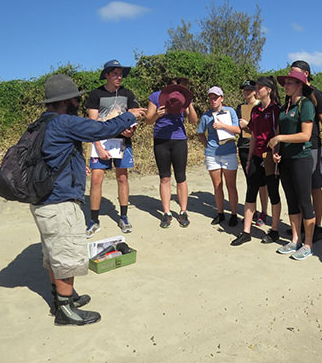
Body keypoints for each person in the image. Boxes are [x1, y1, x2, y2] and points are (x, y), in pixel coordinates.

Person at [30, 74, 146, 325]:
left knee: (53, 254)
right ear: (66, 101)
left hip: (44, 200)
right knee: (66, 256)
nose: (77, 102)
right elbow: (101, 129)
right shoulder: (63, 122)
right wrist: (130, 116)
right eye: (75, 98)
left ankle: (65, 296)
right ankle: (64, 310)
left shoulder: (43, 122)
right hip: (58, 202)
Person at [85, 59, 140, 237]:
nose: (119, 77)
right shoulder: (95, 95)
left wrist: (130, 131)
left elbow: (134, 118)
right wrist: (98, 147)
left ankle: (123, 217)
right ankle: (93, 220)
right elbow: (92, 124)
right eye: (115, 73)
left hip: (122, 143)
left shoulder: (128, 94)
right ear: (107, 75)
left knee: (122, 178)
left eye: (120, 73)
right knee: (96, 179)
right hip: (100, 142)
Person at [268, 71, 317, 260]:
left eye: (290, 83)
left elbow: (305, 135)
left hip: (301, 159)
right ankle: (295, 239)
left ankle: (308, 244)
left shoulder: (306, 105)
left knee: (305, 200)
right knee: (291, 200)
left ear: (300, 85)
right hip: (286, 159)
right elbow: (279, 131)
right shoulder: (285, 106)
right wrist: (276, 150)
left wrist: (279, 138)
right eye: (285, 83)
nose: (286, 86)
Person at [231, 76, 282, 246]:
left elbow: (278, 134)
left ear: (269, 90)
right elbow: (253, 135)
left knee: (273, 193)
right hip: (256, 156)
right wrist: (249, 158)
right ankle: (246, 232)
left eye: (260, 87)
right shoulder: (255, 110)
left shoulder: (276, 110)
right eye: (256, 87)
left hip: (270, 157)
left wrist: (276, 154)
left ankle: (274, 230)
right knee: (250, 191)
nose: (256, 90)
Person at [146, 79, 198, 228]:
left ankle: (183, 212)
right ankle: (167, 213)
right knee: (164, 177)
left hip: (179, 139)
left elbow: (193, 121)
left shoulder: (184, 98)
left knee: (181, 177)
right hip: (161, 140)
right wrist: (157, 114)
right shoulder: (155, 96)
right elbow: (148, 120)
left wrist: (189, 103)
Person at [290, 61, 322, 242]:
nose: (291, 76)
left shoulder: (316, 94)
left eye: (295, 73)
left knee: (315, 187)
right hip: (295, 148)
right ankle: (303, 225)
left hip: (313, 146)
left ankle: (318, 226)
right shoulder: (291, 94)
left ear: (306, 74)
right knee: (300, 188)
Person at [197, 86, 241, 227]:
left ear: (222, 98)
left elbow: (238, 130)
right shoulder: (206, 116)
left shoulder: (230, 111)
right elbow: (200, 132)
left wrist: (222, 126)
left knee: (231, 185)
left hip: (228, 152)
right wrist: (207, 146)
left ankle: (234, 214)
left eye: (215, 97)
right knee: (217, 185)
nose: (213, 100)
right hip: (212, 154)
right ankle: (220, 213)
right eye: (211, 97)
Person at [236, 80, 269, 226]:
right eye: (244, 90)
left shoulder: (260, 107)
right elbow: (237, 128)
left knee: (262, 183)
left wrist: (246, 126)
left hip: (258, 148)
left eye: (249, 89)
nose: (247, 92)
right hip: (243, 147)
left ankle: (264, 212)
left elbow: (260, 130)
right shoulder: (240, 107)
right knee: (251, 181)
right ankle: (253, 211)